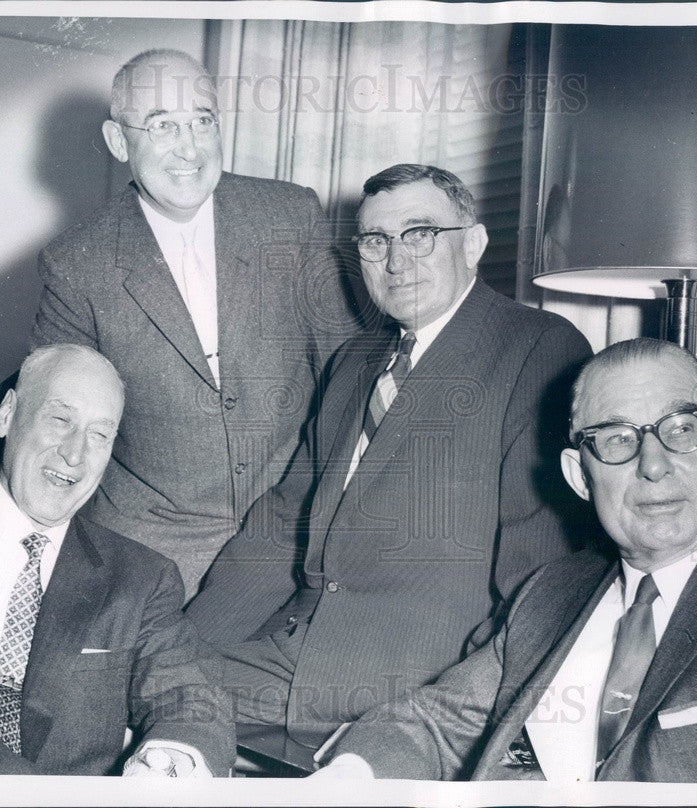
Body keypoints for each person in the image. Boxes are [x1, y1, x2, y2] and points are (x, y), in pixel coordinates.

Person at [187, 164, 592, 744]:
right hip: (288, 650)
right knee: (126, 685)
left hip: (409, 682)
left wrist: (462, 713)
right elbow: (281, 525)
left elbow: (540, 573)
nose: (396, 261)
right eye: (376, 241)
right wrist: (187, 645)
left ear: (473, 245)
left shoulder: (539, 348)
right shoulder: (354, 359)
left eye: (420, 233)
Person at [315, 337, 697, 784]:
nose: (654, 465)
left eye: (681, 429)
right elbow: (431, 726)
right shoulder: (553, 590)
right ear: (580, 476)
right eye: (618, 439)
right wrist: (345, 782)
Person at [31, 50, 359, 596]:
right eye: (161, 125)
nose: (189, 148)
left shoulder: (288, 215)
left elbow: (347, 368)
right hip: (151, 552)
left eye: (201, 120)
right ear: (119, 141)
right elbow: (56, 418)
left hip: (295, 530)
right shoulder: (77, 263)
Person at [0, 344, 234, 776]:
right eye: (60, 420)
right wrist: (12, 783)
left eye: (99, 434)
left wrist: (174, 756)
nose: (75, 454)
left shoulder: (141, 577)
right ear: (7, 415)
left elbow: (190, 693)